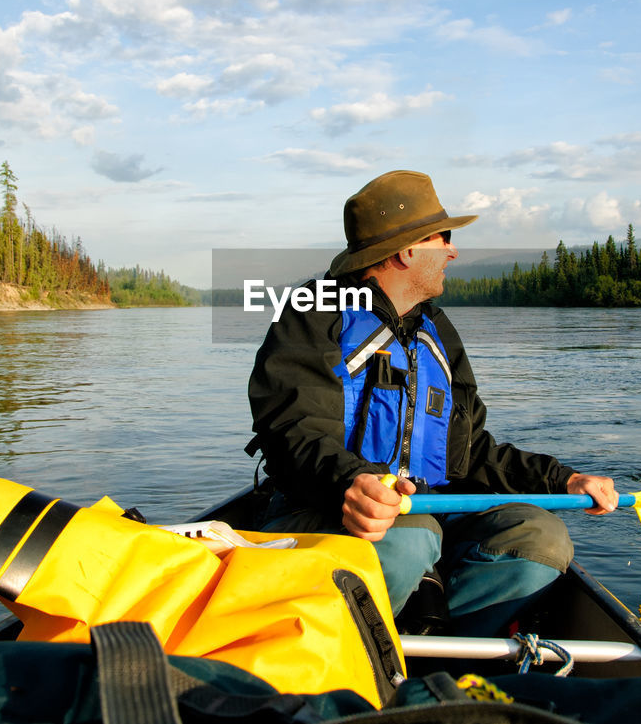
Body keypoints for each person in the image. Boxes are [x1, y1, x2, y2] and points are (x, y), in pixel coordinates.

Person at [246, 170, 619, 635]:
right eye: (444, 238)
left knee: (541, 537)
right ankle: (355, 658)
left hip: (426, 512)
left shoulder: (438, 331)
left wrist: (562, 478)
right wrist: (351, 482)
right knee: (412, 536)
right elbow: (293, 433)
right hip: (325, 506)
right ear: (408, 250)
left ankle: (436, 649)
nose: (453, 251)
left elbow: (470, 451)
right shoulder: (313, 315)